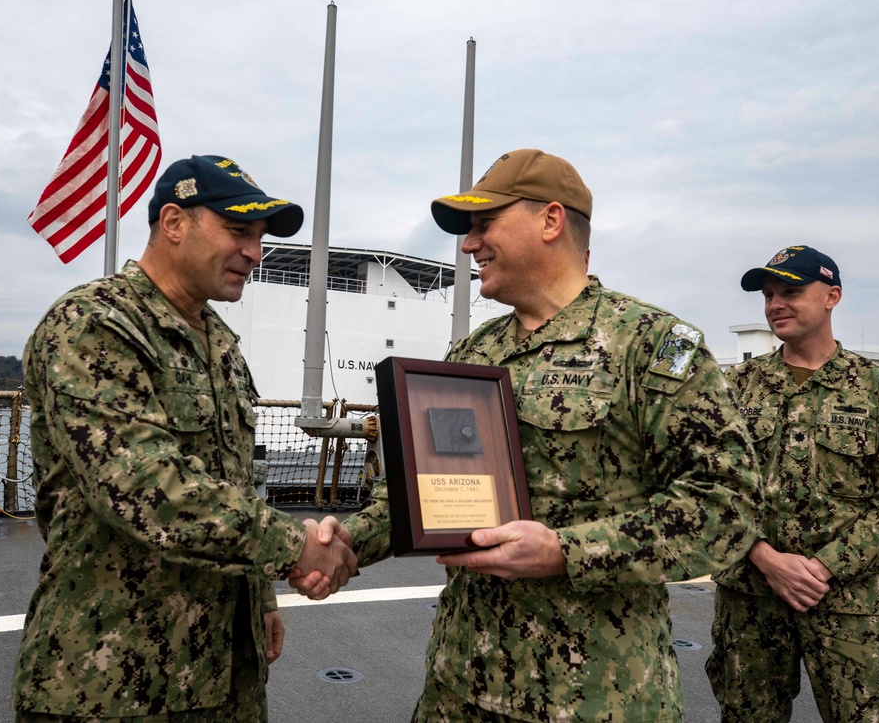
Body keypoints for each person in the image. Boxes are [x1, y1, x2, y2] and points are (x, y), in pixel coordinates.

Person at [296, 148, 763, 721]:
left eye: (484, 223)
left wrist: (567, 552)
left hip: (596, 695)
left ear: (550, 220)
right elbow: (421, 495)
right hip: (462, 683)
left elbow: (728, 507)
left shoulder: (649, 345)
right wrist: (344, 544)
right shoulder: (473, 354)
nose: (469, 244)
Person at [13, 155, 356, 722]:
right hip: (111, 679)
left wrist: (259, 597)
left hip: (223, 672)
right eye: (239, 231)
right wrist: (294, 545)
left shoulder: (219, 342)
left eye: (261, 237)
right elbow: (144, 487)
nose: (255, 251)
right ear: (173, 223)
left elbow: (235, 484)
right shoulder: (93, 324)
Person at [706, 245, 879, 722]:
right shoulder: (735, 388)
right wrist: (766, 559)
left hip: (851, 605)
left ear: (832, 296)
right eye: (768, 295)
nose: (774, 305)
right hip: (751, 600)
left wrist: (821, 569)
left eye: (790, 290)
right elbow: (713, 489)